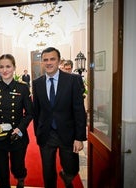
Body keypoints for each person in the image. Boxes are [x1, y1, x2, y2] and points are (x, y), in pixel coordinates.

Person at [32, 47, 87, 188]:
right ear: (42, 62)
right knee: (48, 170)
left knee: (72, 168)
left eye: (52, 59)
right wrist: (37, 133)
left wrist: (79, 137)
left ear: (59, 61)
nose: (49, 62)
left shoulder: (73, 80)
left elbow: (79, 111)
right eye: (45, 60)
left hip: (67, 134)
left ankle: (67, 176)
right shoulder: (37, 83)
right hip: (46, 134)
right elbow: (36, 111)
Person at [0, 54, 33, 188]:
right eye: (2, 67)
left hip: (17, 135)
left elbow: (29, 113)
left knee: (17, 167)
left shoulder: (22, 88)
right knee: (2, 169)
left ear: (14, 68)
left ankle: (20, 178)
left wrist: (20, 128)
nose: (5, 70)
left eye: (8, 66)